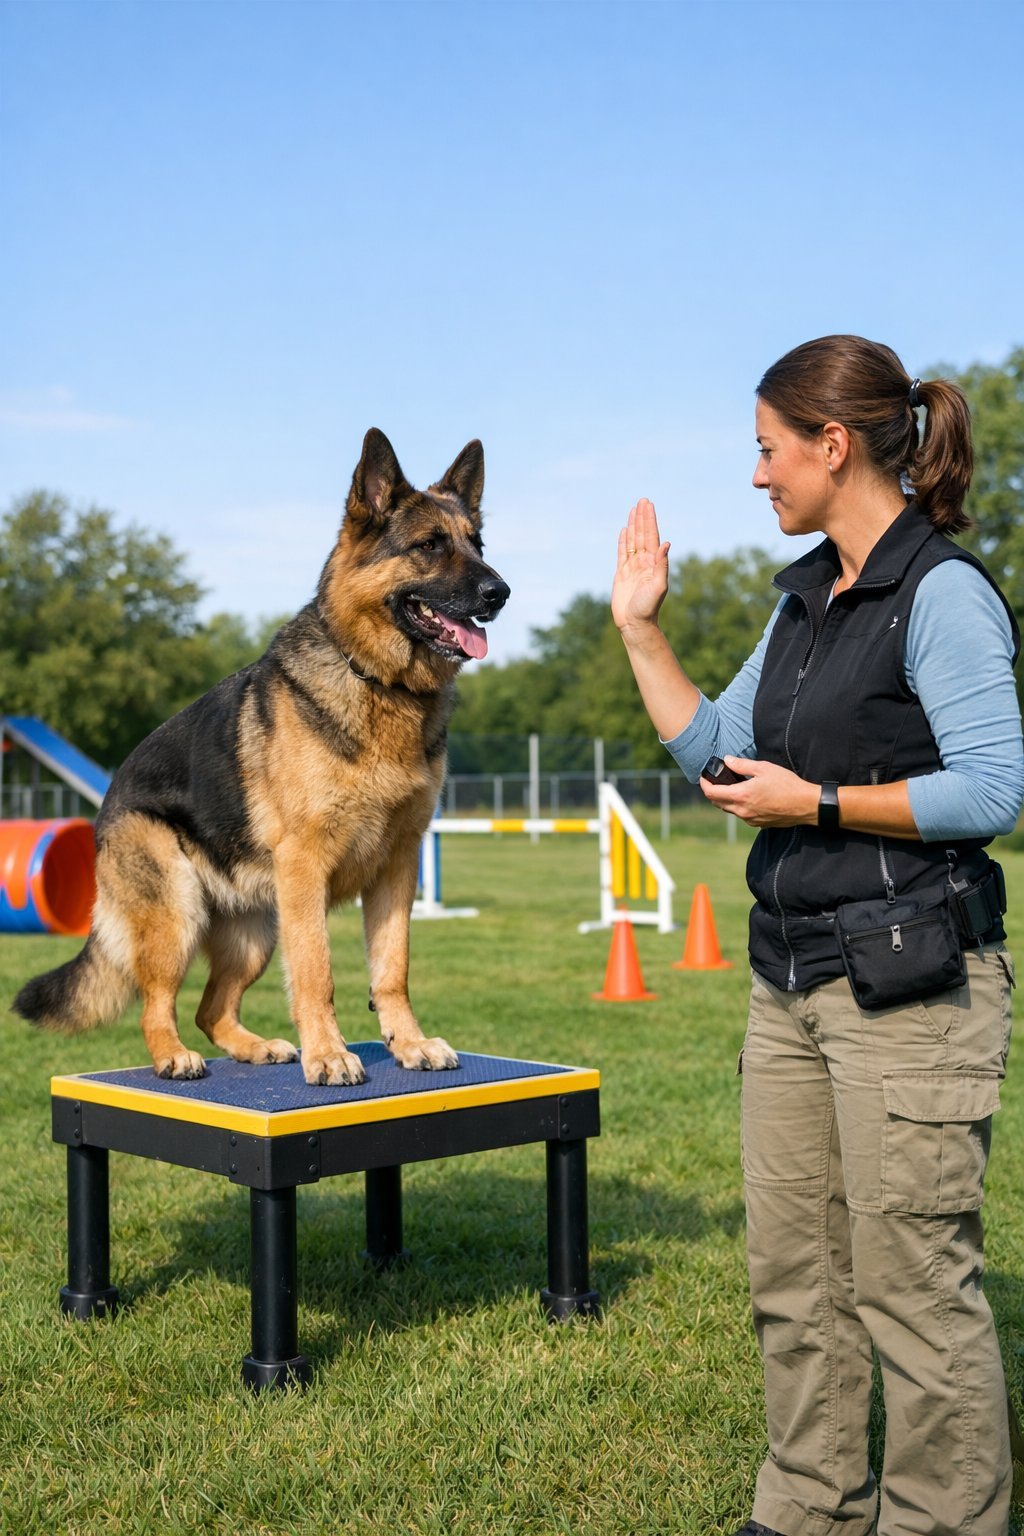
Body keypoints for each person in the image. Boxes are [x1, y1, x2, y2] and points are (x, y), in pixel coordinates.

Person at [611, 335, 1023, 1536]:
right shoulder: (802, 600)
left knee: (910, 1286)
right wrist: (642, 632)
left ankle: (943, 1521)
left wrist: (825, 804)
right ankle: (807, 1507)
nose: (756, 476)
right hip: (788, 982)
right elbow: (716, 754)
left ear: (830, 444)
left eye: (766, 448)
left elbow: (995, 787)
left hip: (911, 987)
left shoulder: (938, 593)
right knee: (795, 1278)